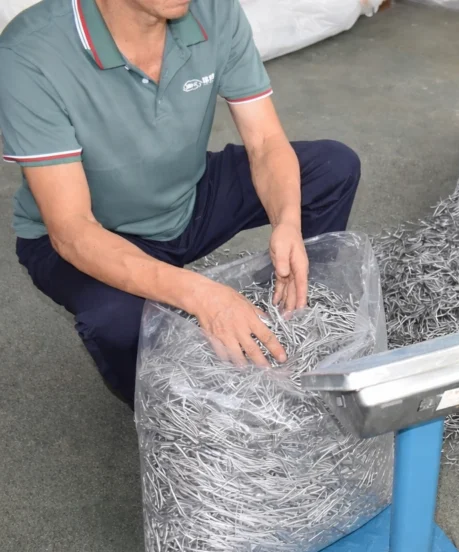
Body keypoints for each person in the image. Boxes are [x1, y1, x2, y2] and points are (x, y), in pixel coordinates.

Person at [0, 0, 361, 405]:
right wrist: (203, 296)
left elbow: (265, 141)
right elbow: (72, 231)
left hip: (186, 195)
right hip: (94, 232)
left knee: (332, 167)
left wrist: (287, 223)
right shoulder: (29, 53)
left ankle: (298, 315)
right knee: (117, 323)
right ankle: (164, 412)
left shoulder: (212, 10)